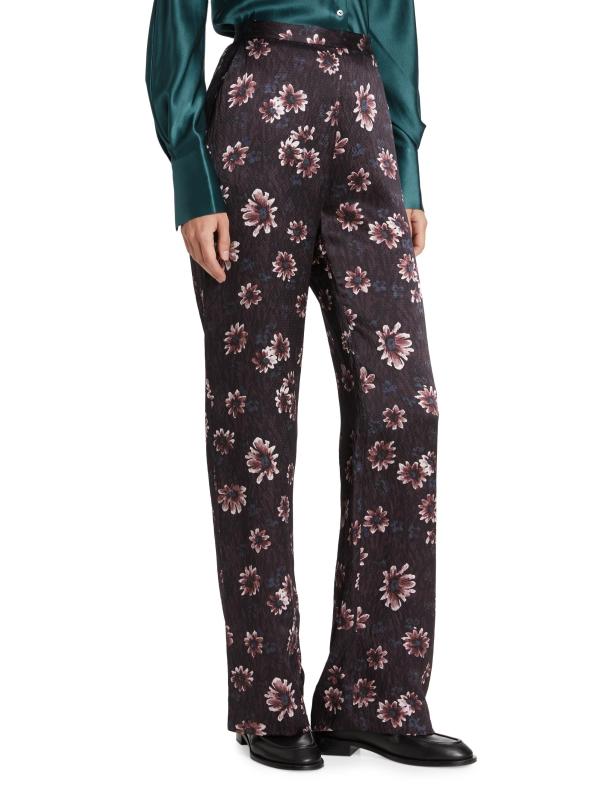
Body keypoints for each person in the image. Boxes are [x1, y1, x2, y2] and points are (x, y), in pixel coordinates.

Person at [145, 1, 476, 771]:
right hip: (257, 107)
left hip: (364, 113)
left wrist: (406, 162)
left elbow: (391, 14)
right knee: (253, 416)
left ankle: (375, 697)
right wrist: (192, 178)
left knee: (403, 406)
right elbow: (174, 25)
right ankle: (266, 698)